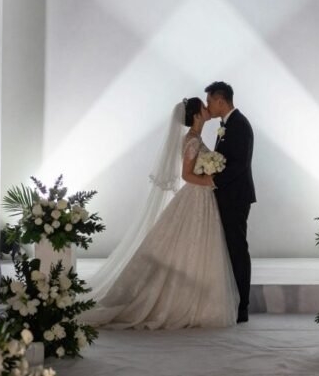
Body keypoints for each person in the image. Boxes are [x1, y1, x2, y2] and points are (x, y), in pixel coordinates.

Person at [82, 98, 239, 329]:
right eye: (204, 108)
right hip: (197, 196)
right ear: (196, 115)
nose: (208, 110)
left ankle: (198, 300)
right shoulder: (192, 141)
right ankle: (180, 303)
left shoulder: (195, 138)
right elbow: (186, 175)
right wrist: (210, 179)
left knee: (198, 246)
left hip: (202, 198)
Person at [204, 81, 255, 323]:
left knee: (237, 248)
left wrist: (214, 179)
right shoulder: (228, 125)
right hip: (227, 194)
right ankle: (233, 300)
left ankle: (242, 305)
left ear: (221, 100)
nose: (208, 106)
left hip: (235, 197)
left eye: (210, 101)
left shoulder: (240, 125)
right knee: (230, 248)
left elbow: (239, 164)